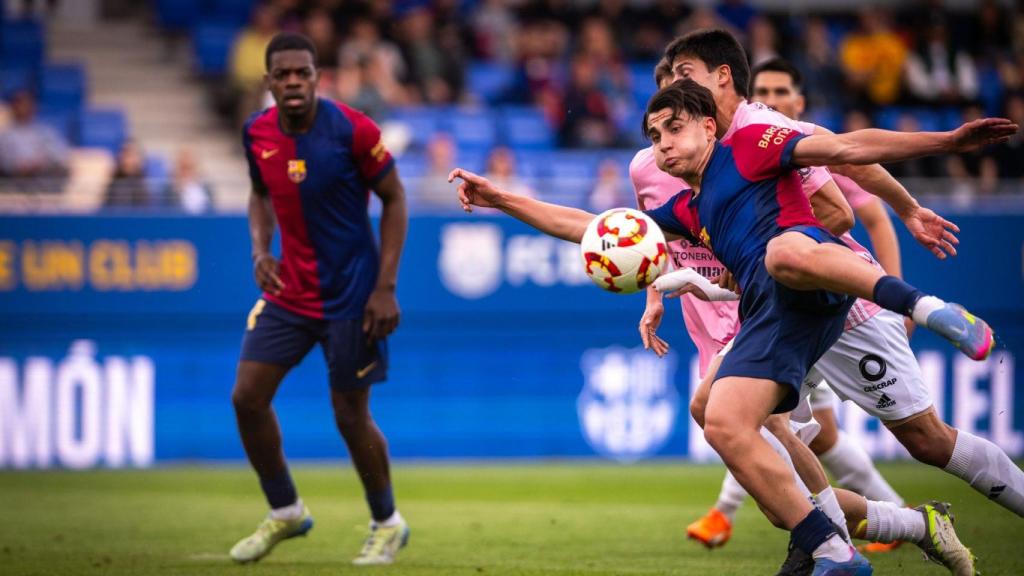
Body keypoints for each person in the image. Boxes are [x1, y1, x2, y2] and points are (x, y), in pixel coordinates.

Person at [449, 79, 1014, 575]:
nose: (662, 144)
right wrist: (502, 199)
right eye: (652, 136)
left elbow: (847, 147)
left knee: (782, 253)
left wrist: (946, 142)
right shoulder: (690, 209)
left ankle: (927, 307)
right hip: (771, 317)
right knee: (718, 419)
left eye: (673, 128)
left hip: (820, 283)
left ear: (708, 123)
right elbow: (592, 227)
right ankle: (833, 550)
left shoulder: (753, 143)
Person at [682, 57, 909, 555]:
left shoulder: (799, 148)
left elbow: (862, 208)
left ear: (797, 102)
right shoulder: (735, 152)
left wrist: (908, 222)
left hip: (831, 301)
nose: (771, 100)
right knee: (782, 428)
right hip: (776, 306)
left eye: (780, 91)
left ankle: (826, 533)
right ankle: (856, 533)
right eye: (763, 89)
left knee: (918, 438)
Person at [229, 32, 409, 566]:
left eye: (301, 73)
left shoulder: (353, 130)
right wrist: (261, 250)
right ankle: (285, 511)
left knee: (350, 416)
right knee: (247, 397)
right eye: (281, 74)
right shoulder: (256, 133)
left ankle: (387, 522)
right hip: (290, 294)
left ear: (316, 77)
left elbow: (395, 198)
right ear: (269, 81)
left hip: (354, 296)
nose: (291, 82)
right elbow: (260, 193)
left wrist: (385, 287)